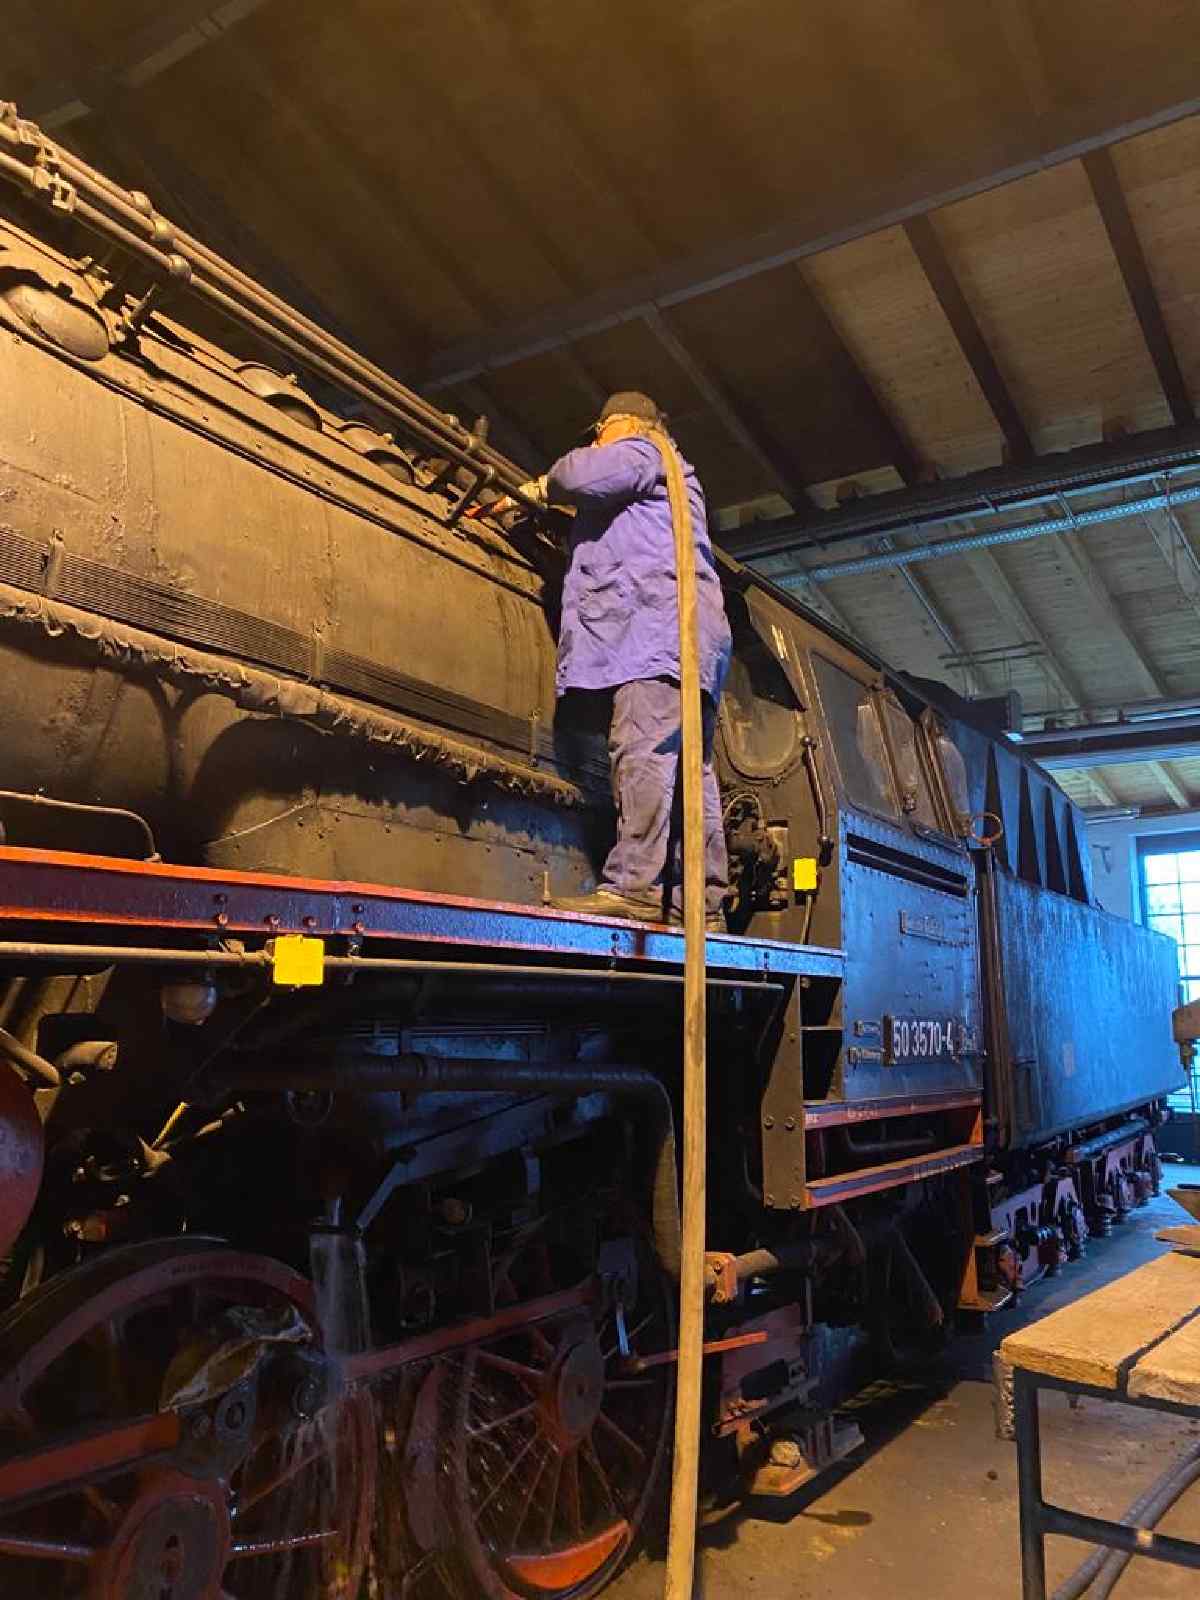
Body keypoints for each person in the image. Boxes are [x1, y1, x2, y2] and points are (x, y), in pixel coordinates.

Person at [517, 391, 732, 928]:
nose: (596, 442)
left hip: (656, 634)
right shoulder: (670, 475)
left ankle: (635, 888)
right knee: (692, 775)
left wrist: (542, 487)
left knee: (641, 752)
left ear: (625, 423)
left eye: (600, 432)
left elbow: (578, 475)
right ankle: (702, 901)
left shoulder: (642, 449)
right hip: (690, 642)